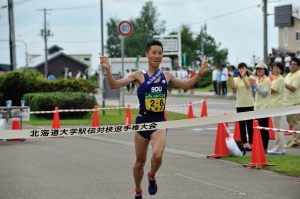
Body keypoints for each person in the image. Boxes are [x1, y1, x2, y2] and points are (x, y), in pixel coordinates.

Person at [100, 39, 208, 199]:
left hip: (159, 122)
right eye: (154, 53)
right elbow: (114, 85)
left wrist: (200, 73)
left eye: (160, 53)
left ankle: (152, 175)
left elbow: (185, 85)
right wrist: (108, 70)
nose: (157, 56)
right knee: (139, 162)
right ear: (147, 55)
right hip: (143, 123)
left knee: (157, 155)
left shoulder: (166, 75)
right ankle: (138, 189)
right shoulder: (138, 75)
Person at [229, 62, 254, 151]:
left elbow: (248, 86)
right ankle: (244, 143)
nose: (241, 70)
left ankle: (250, 143)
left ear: (246, 69)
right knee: (242, 126)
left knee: (250, 125)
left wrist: (243, 76)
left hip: (249, 104)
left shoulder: (250, 77)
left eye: (243, 68)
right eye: (240, 68)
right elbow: (233, 89)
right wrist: (231, 77)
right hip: (240, 105)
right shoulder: (236, 79)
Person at [250, 62, 271, 151]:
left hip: (264, 108)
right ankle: (259, 146)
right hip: (257, 107)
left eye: (261, 69)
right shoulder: (257, 79)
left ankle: (264, 147)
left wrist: (254, 85)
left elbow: (264, 94)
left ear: (264, 70)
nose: (259, 71)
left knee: (263, 129)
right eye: (257, 69)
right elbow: (255, 93)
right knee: (257, 129)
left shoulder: (267, 80)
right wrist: (252, 86)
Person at [267, 62, 286, 155]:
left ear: (281, 70)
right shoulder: (275, 79)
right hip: (275, 105)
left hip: (277, 106)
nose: (275, 69)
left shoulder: (279, 79)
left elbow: (271, 90)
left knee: (277, 128)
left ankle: (279, 148)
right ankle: (280, 147)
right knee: (278, 128)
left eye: (277, 68)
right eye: (274, 68)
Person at [284, 57, 300, 148]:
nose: (292, 66)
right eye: (291, 64)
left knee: (296, 122)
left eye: (295, 64)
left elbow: (293, 88)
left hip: (296, 102)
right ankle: (295, 138)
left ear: (298, 66)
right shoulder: (288, 74)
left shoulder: (298, 74)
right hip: (287, 103)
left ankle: (296, 140)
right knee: (290, 122)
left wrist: (283, 83)